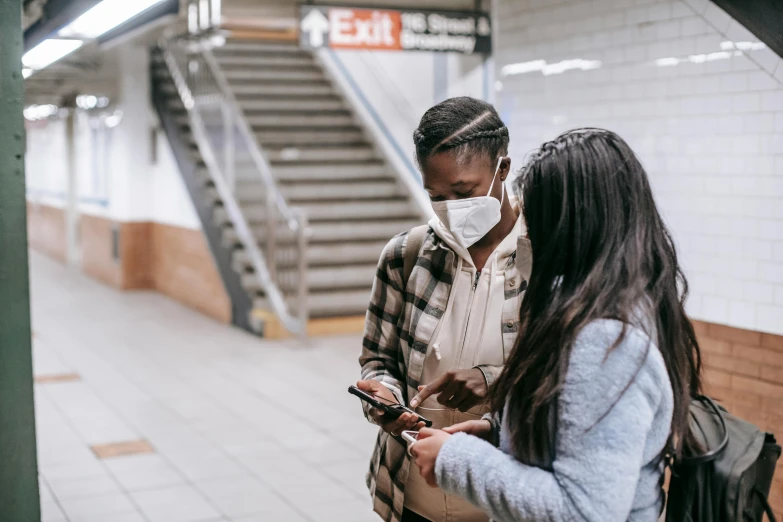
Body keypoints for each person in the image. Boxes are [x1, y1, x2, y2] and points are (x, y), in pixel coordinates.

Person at [408, 128, 703, 522]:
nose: (530, 231)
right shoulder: (628, 305)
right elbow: (578, 439)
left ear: (573, 226)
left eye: (539, 217)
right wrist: (501, 432)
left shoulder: (606, 341)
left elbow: (584, 510)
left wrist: (455, 460)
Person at [356, 97, 531, 522]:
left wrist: (491, 381)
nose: (451, 208)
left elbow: (563, 382)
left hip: (503, 500)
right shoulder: (406, 255)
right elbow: (377, 360)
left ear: (502, 170)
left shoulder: (545, 261)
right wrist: (384, 397)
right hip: (412, 496)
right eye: (436, 195)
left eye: (464, 192)